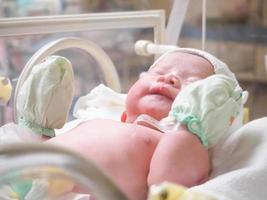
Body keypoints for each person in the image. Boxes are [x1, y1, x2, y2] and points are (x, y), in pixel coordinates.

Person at [4, 49, 244, 200]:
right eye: (157, 71)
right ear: (124, 115)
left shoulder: (177, 143)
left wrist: (189, 127)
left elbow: (165, 187)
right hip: (24, 175)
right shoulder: (102, 122)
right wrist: (39, 129)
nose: (168, 78)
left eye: (192, 83)